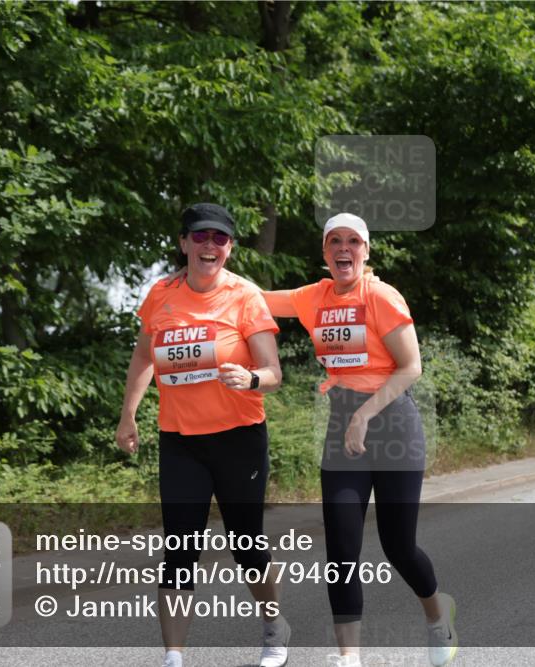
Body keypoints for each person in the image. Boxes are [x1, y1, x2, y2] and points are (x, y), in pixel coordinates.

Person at [264, 213, 457, 667]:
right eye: (335, 241)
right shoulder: (315, 297)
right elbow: (257, 299)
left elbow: (411, 366)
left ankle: (437, 614)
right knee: (342, 548)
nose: (343, 248)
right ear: (325, 251)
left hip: (392, 425)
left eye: (353, 241)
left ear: (366, 251)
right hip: (342, 428)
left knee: (398, 547)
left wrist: (365, 415)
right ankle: (349, 657)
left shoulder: (381, 296)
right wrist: (205, 268)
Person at [115, 203, 290, 667]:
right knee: (179, 547)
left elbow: (274, 372)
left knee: (246, 545)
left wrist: (250, 379)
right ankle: (174, 657)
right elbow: (143, 359)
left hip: (239, 439)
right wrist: (127, 415)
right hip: (181, 442)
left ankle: (274, 626)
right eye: (200, 237)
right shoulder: (161, 296)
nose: (209, 245)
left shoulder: (245, 297)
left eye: (219, 239)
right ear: (183, 243)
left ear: (229, 248)